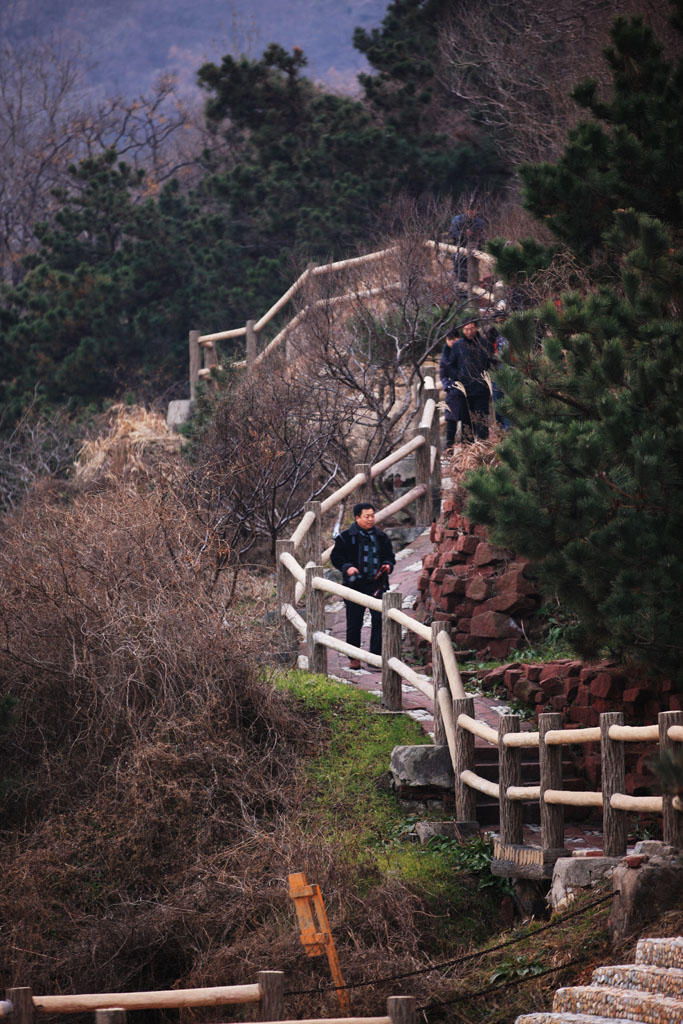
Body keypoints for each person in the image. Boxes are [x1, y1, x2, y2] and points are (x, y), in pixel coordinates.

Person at [330, 503, 395, 670]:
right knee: (354, 622)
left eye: (373, 515)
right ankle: (354, 657)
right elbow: (336, 557)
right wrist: (347, 568)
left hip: (377, 584)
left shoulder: (381, 536)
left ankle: (375, 657)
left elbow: (390, 556)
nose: (371, 519)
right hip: (354, 585)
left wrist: (388, 565)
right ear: (357, 517)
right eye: (367, 516)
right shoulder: (345, 537)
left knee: (379, 620)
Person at [439, 319, 493, 446]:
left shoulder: (484, 343)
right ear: (463, 330)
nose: (469, 332)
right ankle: (468, 451)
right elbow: (450, 365)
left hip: (481, 389)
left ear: (476, 329)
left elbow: (489, 363)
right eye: (466, 329)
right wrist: (458, 377)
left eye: (471, 329)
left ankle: (484, 448)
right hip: (464, 391)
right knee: (466, 422)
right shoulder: (458, 345)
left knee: (481, 421)